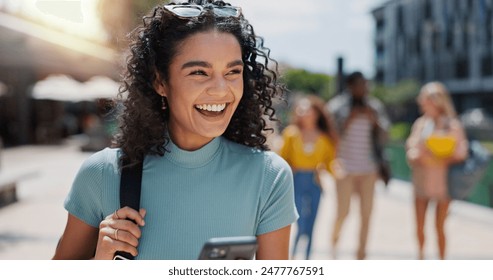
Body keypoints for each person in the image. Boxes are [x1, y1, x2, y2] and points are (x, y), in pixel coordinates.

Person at [53, 0, 298, 260]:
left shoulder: (269, 177)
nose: (221, 89)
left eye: (232, 72)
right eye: (199, 72)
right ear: (160, 81)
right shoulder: (102, 174)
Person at [326, 71, 390, 260]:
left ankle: (361, 255)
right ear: (350, 86)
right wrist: (348, 119)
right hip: (344, 169)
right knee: (342, 212)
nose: (364, 88)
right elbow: (329, 133)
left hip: (369, 169)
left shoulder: (375, 106)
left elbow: (386, 135)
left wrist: (375, 121)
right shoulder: (337, 106)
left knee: (367, 215)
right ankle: (334, 245)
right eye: (360, 84)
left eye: (366, 84)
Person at [406, 82, 468, 260]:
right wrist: (422, 155)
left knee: (439, 226)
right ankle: (421, 259)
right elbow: (411, 150)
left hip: (443, 183)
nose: (422, 103)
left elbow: (461, 151)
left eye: (425, 100)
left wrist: (439, 156)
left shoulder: (452, 125)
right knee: (419, 226)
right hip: (422, 181)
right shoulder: (421, 124)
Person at [279, 95, 338, 260]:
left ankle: (307, 260)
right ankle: (293, 256)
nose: (303, 113)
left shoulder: (325, 138)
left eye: (307, 110)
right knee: (300, 222)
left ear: (316, 113)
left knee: (312, 224)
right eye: (301, 109)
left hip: (315, 182)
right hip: (296, 181)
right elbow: (282, 158)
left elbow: (330, 163)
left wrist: (337, 171)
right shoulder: (291, 134)